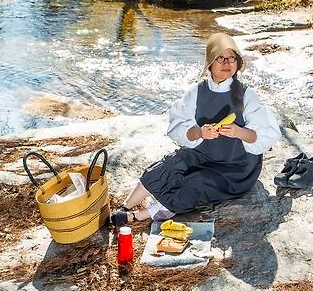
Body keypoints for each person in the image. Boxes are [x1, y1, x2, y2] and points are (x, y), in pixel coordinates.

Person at [110, 31, 281, 226]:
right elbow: (180, 127)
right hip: (203, 155)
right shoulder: (196, 92)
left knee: (196, 182)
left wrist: (238, 132)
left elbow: (264, 135)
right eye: (220, 58)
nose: (227, 63)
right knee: (170, 164)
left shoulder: (246, 94)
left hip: (235, 168)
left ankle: (138, 216)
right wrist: (199, 132)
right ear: (209, 62)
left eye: (231, 58)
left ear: (238, 62)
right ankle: (125, 206)